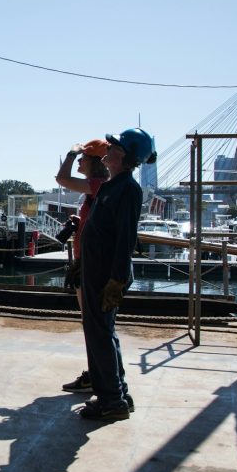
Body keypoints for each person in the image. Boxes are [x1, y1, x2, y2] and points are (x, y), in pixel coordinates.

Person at [77, 127, 156, 421]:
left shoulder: (128, 190)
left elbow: (125, 238)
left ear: (123, 155)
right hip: (96, 270)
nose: (107, 150)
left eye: (112, 147)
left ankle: (112, 401)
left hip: (106, 274)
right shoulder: (112, 186)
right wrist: (81, 263)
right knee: (101, 333)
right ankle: (117, 393)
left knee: (100, 334)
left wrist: (117, 279)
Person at [55, 139, 110, 394]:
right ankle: (97, 374)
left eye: (83, 157)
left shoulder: (99, 185)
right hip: (86, 261)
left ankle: (99, 378)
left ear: (95, 162)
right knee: (92, 323)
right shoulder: (95, 190)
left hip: (91, 264)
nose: (79, 160)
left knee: (94, 324)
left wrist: (70, 152)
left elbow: (62, 179)